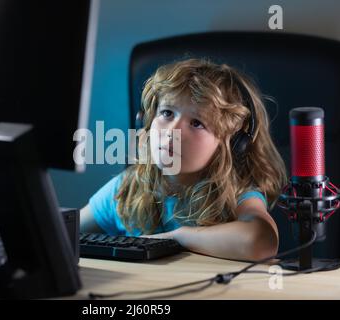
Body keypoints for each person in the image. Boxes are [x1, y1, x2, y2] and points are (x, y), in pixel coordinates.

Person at [80, 58, 287, 262]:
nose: (172, 132)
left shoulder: (235, 194)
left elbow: (262, 241)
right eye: (167, 113)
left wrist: (178, 237)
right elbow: (62, 233)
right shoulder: (128, 187)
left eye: (197, 123)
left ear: (231, 143)